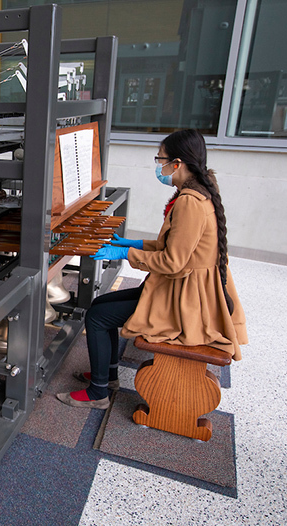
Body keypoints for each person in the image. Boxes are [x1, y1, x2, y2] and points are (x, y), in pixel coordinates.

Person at [57, 129, 248, 409]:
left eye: (161, 159)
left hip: (186, 302)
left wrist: (124, 252)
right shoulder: (199, 192)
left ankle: (98, 393)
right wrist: (132, 242)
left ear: (178, 163)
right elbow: (175, 244)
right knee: (100, 304)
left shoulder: (189, 203)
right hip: (181, 288)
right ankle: (107, 376)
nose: (159, 166)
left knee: (97, 317)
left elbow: (173, 262)